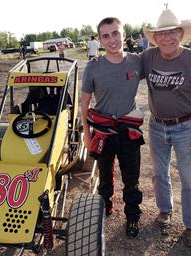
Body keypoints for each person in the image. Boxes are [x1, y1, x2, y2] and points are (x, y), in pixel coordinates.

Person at [81, 17, 144, 238]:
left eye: (115, 33)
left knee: (131, 178)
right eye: (106, 36)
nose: (112, 40)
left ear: (124, 35)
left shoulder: (137, 61)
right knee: (105, 176)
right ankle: (105, 207)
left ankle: (133, 217)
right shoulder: (94, 67)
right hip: (104, 131)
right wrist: (87, 136)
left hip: (129, 131)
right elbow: (84, 103)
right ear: (100, 40)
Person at [142, 8, 191, 247]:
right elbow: (122, 64)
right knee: (159, 172)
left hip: (186, 126)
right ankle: (165, 210)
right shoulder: (149, 57)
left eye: (172, 33)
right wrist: (100, 61)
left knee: (189, 176)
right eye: (161, 34)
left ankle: (190, 224)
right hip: (157, 125)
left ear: (181, 34)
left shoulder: (190, 59)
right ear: (155, 38)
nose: (167, 38)